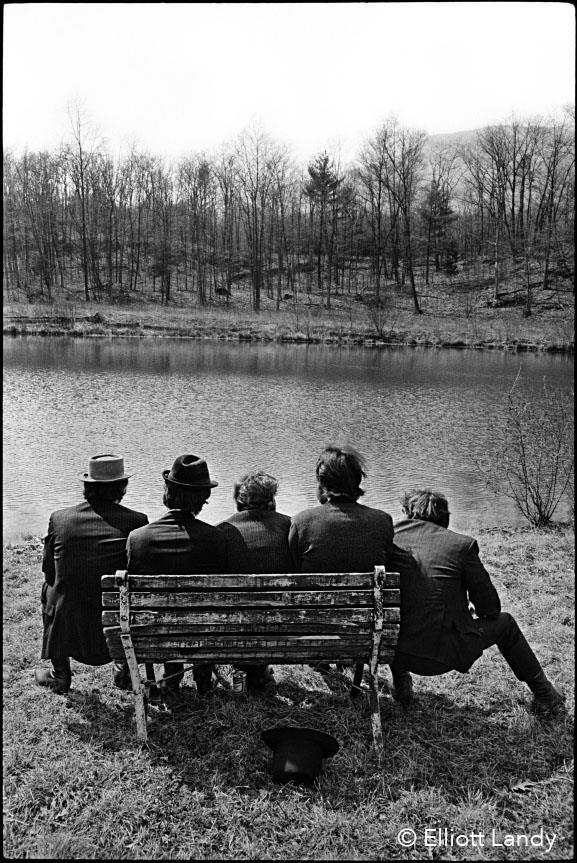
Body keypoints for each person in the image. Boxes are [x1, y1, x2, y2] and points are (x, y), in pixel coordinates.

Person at [391, 488, 566, 718]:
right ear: (444, 518)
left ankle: (402, 687)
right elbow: (491, 609)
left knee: (400, 611)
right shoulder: (461, 545)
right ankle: (546, 696)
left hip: (394, 650)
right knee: (506, 624)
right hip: (442, 657)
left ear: (408, 513)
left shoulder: (390, 538)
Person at [35, 454, 148, 694]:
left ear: (87, 487)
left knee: (50, 588)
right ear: (122, 488)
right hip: (114, 625)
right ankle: (122, 668)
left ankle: (60, 674)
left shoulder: (60, 519)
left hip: (70, 625)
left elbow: (48, 572)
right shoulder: (137, 522)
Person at [126, 453, 228, 704]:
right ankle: (203, 680)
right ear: (204, 498)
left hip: (154, 634)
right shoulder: (216, 538)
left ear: (168, 492)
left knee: (167, 612)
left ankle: (171, 678)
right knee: (201, 613)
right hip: (205, 630)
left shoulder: (139, 539)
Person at [289, 445, 394, 676]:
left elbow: (296, 573)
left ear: (322, 483)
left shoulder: (301, 522)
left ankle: (322, 660)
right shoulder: (382, 521)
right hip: (365, 628)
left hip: (315, 625)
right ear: (357, 482)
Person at [217, 470, 292, 692]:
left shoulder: (222, 531)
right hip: (285, 625)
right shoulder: (291, 526)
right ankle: (259, 674)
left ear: (238, 502)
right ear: (271, 501)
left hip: (235, 626)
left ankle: (242, 679)